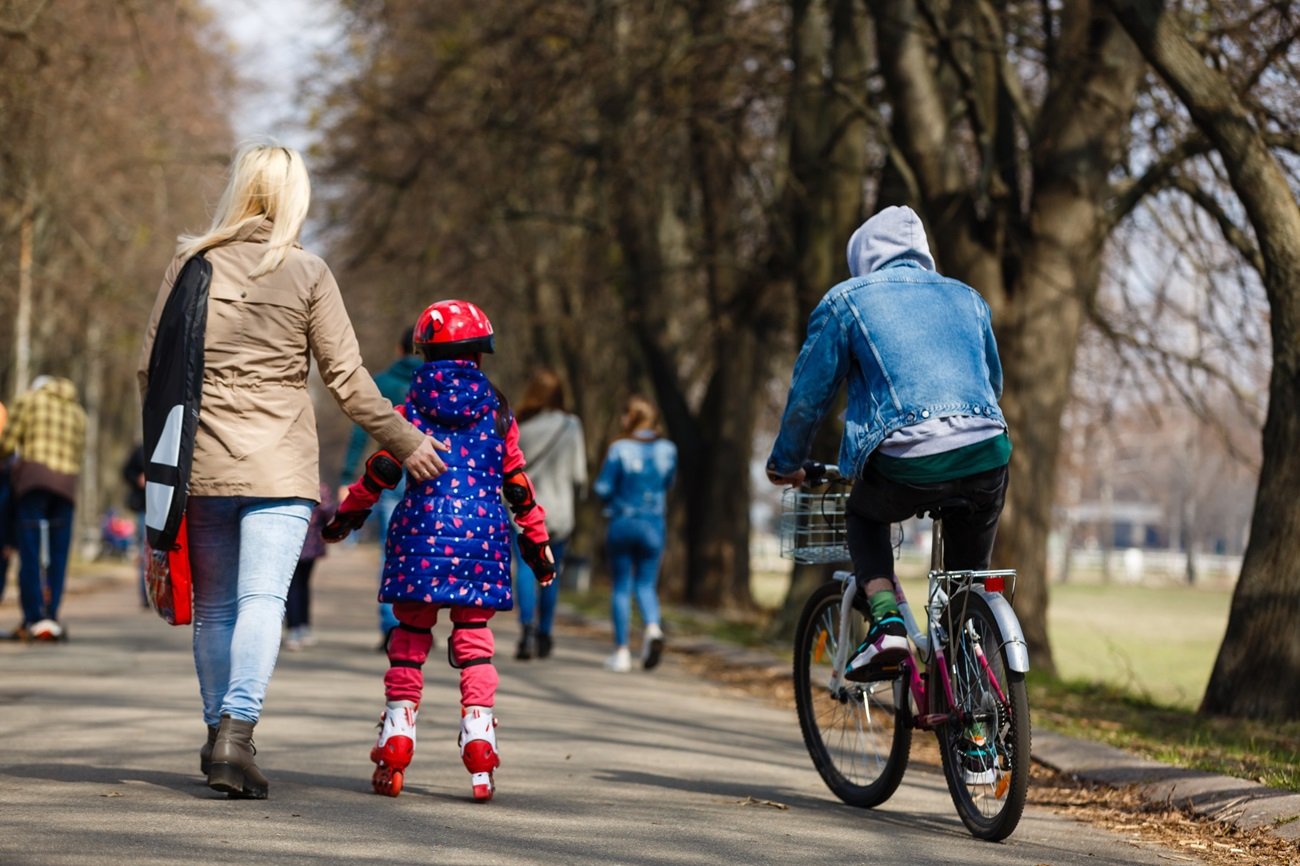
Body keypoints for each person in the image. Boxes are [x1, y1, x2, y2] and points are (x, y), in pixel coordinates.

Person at [136, 142, 448, 801]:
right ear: (295, 199)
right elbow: (347, 380)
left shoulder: (191, 265)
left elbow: (150, 368)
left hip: (204, 463)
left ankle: (219, 732)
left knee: (216, 608)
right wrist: (407, 438)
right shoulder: (307, 272)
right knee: (261, 602)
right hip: (279, 464)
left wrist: (160, 458)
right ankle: (236, 736)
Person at [766, 204, 1011, 682]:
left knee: (863, 514)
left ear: (862, 255)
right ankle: (977, 723)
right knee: (966, 587)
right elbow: (992, 382)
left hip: (907, 460)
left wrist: (786, 462)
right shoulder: (967, 297)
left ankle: (887, 623)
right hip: (987, 452)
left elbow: (808, 397)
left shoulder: (847, 300)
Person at [324, 298, 555, 802]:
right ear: (479, 354)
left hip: (419, 540)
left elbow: (382, 470)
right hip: (482, 542)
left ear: (424, 352)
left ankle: (398, 735)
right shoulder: (497, 410)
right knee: (473, 638)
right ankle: (478, 735)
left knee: (410, 635)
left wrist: (348, 516)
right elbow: (517, 484)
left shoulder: (408, 408)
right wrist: (537, 543)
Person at [337, 325, 421, 646]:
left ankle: (390, 625)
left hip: (392, 474)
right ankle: (416, 622)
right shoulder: (437, 386)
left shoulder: (382, 382)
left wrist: (348, 476)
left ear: (400, 350)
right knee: (425, 548)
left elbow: (360, 432)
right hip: (431, 475)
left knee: (391, 549)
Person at [593, 395, 677, 673]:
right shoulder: (668, 450)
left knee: (621, 587)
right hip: (654, 525)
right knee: (645, 585)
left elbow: (603, 488)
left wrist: (612, 495)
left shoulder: (619, 449)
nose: (621, 420)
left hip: (623, 523)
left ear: (632, 417)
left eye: (625, 415)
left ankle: (621, 652)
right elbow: (669, 482)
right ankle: (653, 629)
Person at [0, 376, 88, 642]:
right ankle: (52, 615)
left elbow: (7, 443)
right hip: (66, 486)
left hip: (34, 483)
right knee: (59, 555)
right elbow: (79, 451)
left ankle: (34, 617)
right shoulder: (77, 411)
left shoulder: (29, 401)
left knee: (31, 551)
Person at [510, 368, 587, 661]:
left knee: (527, 571)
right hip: (561, 512)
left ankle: (526, 628)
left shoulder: (522, 425)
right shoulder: (571, 426)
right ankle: (545, 633)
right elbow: (579, 474)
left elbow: (511, 469)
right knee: (552, 573)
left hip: (524, 513)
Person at [284, 483, 336, 651]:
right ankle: (302, 627)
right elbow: (329, 513)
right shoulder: (318, 488)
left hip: (290, 545)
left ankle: (295, 628)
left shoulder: (284, 486)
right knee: (302, 586)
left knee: (293, 587)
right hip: (310, 546)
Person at [121, 443, 148, 607]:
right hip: (144, 509)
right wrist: (137, 479)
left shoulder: (172, 444)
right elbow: (126, 472)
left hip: (169, 508)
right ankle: (146, 594)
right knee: (145, 550)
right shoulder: (140, 450)